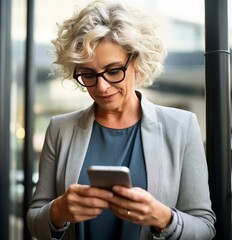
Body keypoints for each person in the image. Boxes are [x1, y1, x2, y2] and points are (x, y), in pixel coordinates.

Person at [27, 1, 216, 239]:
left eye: (114, 70)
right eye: (88, 74)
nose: (102, 87)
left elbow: (206, 228)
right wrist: (58, 211)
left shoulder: (182, 127)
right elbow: (35, 222)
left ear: (136, 62)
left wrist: (162, 217)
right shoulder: (60, 129)